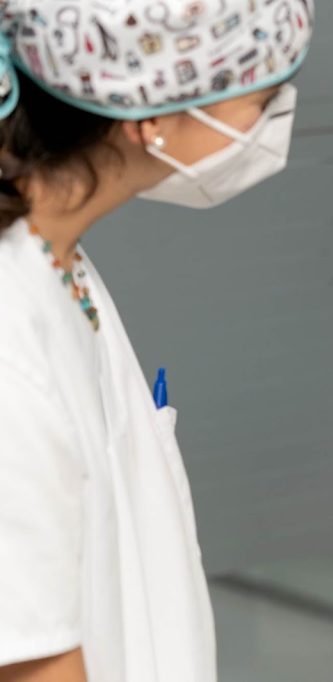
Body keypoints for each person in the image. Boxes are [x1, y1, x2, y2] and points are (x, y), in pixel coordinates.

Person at [0, 2, 313, 680]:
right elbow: (30, 658)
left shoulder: (58, 260)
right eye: (260, 97)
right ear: (151, 115)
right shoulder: (8, 335)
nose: (275, 120)